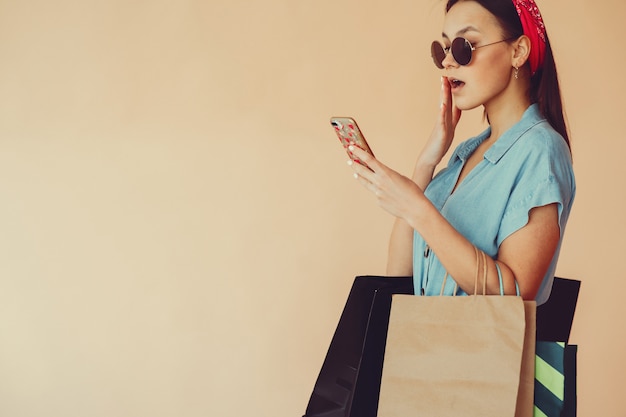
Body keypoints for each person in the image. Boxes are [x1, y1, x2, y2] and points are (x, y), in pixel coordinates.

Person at [348, 0, 575, 304]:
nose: (447, 63)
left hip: (479, 352)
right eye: (442, 51)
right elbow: (399, 279)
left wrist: (418, 208)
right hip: (422, 347)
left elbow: (516, 294)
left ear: (518, 51)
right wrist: (427, 162)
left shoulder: (540, 150)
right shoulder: (464, 156)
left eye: (464, 47)